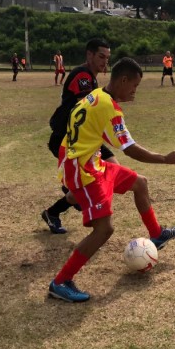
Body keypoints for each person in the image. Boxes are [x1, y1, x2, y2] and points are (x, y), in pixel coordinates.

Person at [48, 58, 175, 302]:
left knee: (139, 183)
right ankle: (60, 282)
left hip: (91, 161)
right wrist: (164, 159)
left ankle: (157, 234)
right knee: (104, 229)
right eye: (135, 85)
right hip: (83, 169)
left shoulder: (97, 94)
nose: (135, 91)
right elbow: (129, 148)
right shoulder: (109, 107)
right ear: (122, 80)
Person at [41, 39, 114, 234]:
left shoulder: (90, 76)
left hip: (82, 140)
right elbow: (87, 107)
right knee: (88, 186)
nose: (104, 61)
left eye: (107, 58)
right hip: (67, 140)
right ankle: (56, 211)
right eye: (101, 56)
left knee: (110, 168)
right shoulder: (83, 75)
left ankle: (72, 203)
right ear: (89, 55)